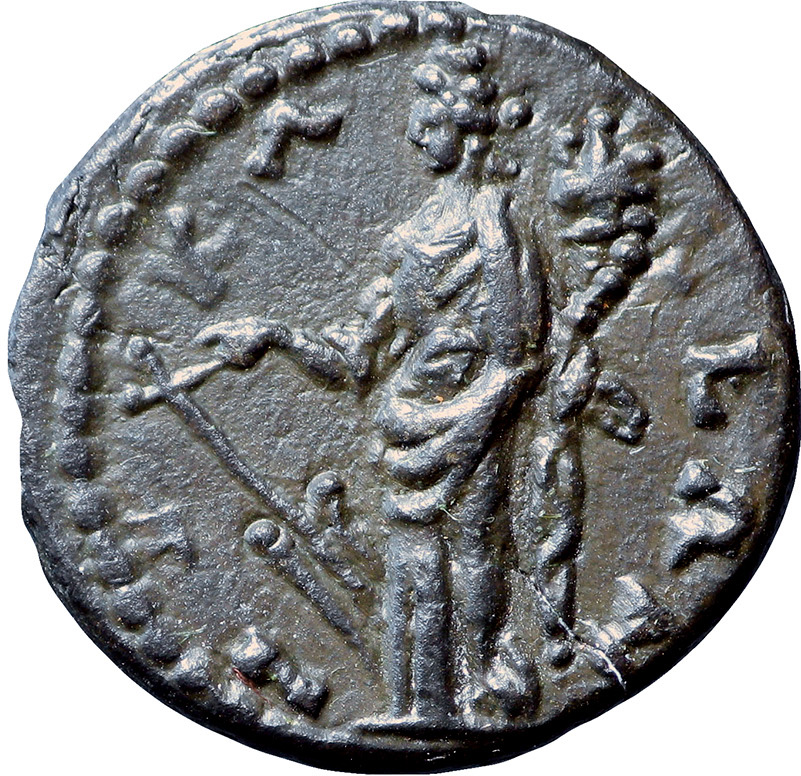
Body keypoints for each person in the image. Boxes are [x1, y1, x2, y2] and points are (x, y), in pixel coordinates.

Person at [197, 42, 542, 724]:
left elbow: (516, 354)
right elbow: (356, 354)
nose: (413, 134)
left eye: (430, 121)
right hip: (408, 414)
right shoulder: (410, 237)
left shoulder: (496, 225)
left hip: (473, 418)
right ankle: (417, 704)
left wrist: (471, 426)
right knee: (413, 554)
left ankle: (467, 701)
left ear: (466, 131)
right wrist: (274, 335)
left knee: (470, 549)